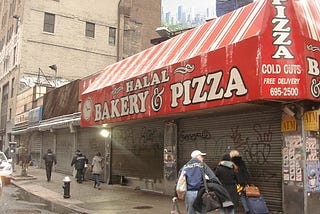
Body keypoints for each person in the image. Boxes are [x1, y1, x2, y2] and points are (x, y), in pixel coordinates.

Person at [173, 150, 219, 214]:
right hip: (201, 193)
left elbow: (179, 182)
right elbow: (212, 177)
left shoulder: (185, 167)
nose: (203, 158)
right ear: (197, 156)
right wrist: (219, 187)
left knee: (191, 212)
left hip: (189, 194)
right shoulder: (202, 165)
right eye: (201, 156)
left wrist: (175, 195)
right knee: (202, 211)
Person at [230, 150, 250, 214]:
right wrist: (247, 182)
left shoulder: (231, 163)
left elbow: (231, 174)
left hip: (235, 182)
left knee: (234, 196)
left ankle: (233, 210)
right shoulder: (242, 162)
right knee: (243, 196)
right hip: (242, 182)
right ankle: (247, 209)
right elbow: (245, 172)